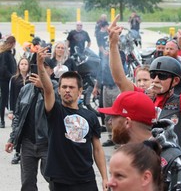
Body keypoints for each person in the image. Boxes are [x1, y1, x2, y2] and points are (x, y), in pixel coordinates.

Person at [108, 15, 181, 157]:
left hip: (171, 169)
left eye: (162, 76)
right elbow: (120, 80)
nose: (156, 79)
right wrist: (113, 44)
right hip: (144, 167)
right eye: (153, 75)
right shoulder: (142, 98)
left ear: (175, 81)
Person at [36, 48, 108, 190]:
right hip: (60, 180)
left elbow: (98, 149)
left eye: (71, 87)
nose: (67, 90)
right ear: (59, 90)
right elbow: (48, 89)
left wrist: (105, 178)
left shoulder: (91, 116)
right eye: (64, 87)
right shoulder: (55, 111)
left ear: (80, 91)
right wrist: (40, 66)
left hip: (86, 179)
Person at [98, 91, 181, 190]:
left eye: (114, 117)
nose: (110, 122)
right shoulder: (124, 154)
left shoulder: (172, 159)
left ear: (127, 122)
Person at [5, 58, 57, 191]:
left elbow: (57, 108)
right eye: (38, 69)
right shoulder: (25, 89)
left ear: (50, 72)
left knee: (54, 179)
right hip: (27, 142)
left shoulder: (57, 89)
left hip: (48, 143)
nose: (40, 72)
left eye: (44, 69)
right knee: (27, 183)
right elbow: (18, 116)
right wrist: (12, 138)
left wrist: (44, 88)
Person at [8, 57, 30, 165]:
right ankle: (16, 152)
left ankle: (25, 152)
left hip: (29, 109)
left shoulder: (32, 78)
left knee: (27, 130)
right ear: (19, 66)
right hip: (17, 109)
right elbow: (10, 95)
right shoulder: (14, 79)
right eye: (22, 64)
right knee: (16, 130)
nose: (24, 66)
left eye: (26, 64)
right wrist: (11, 111)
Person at [0, 35, 17, 128]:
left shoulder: (9, 53)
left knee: (5, 99)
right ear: (13, 43)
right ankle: (2, 120)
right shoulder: (5, 54)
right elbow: (3, 68)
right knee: (4, 99)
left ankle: (3, 119)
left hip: (8, 79)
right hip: (5, 80)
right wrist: (11, 76)